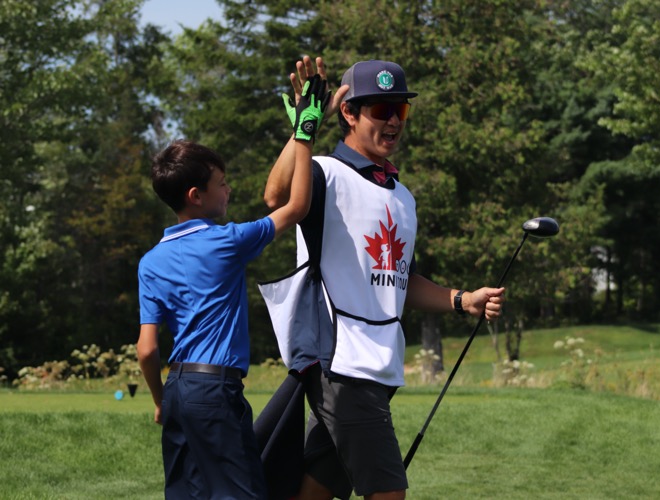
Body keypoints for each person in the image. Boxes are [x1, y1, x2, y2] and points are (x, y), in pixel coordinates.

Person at [262, 56, 506, 500]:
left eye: (401, 109)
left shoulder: (403, 197)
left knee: (315, 490)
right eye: (380, 109)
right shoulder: (324, 171)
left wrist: (461, 299)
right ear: (349, 113)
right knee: (389, 492)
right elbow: (277, 196)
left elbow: (398, 279)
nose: (394, 120)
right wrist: (303, 129)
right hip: (340, 361)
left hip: (379, 364)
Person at [136, 75, 330, 499]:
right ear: (196, 195)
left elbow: (147, 350)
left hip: (178, 390)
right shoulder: (227, 241)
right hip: (215, 391)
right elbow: (297, 206)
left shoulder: (150, 261)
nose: (228, 189)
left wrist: (160, 401)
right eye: (221, 183)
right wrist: (305, 133)